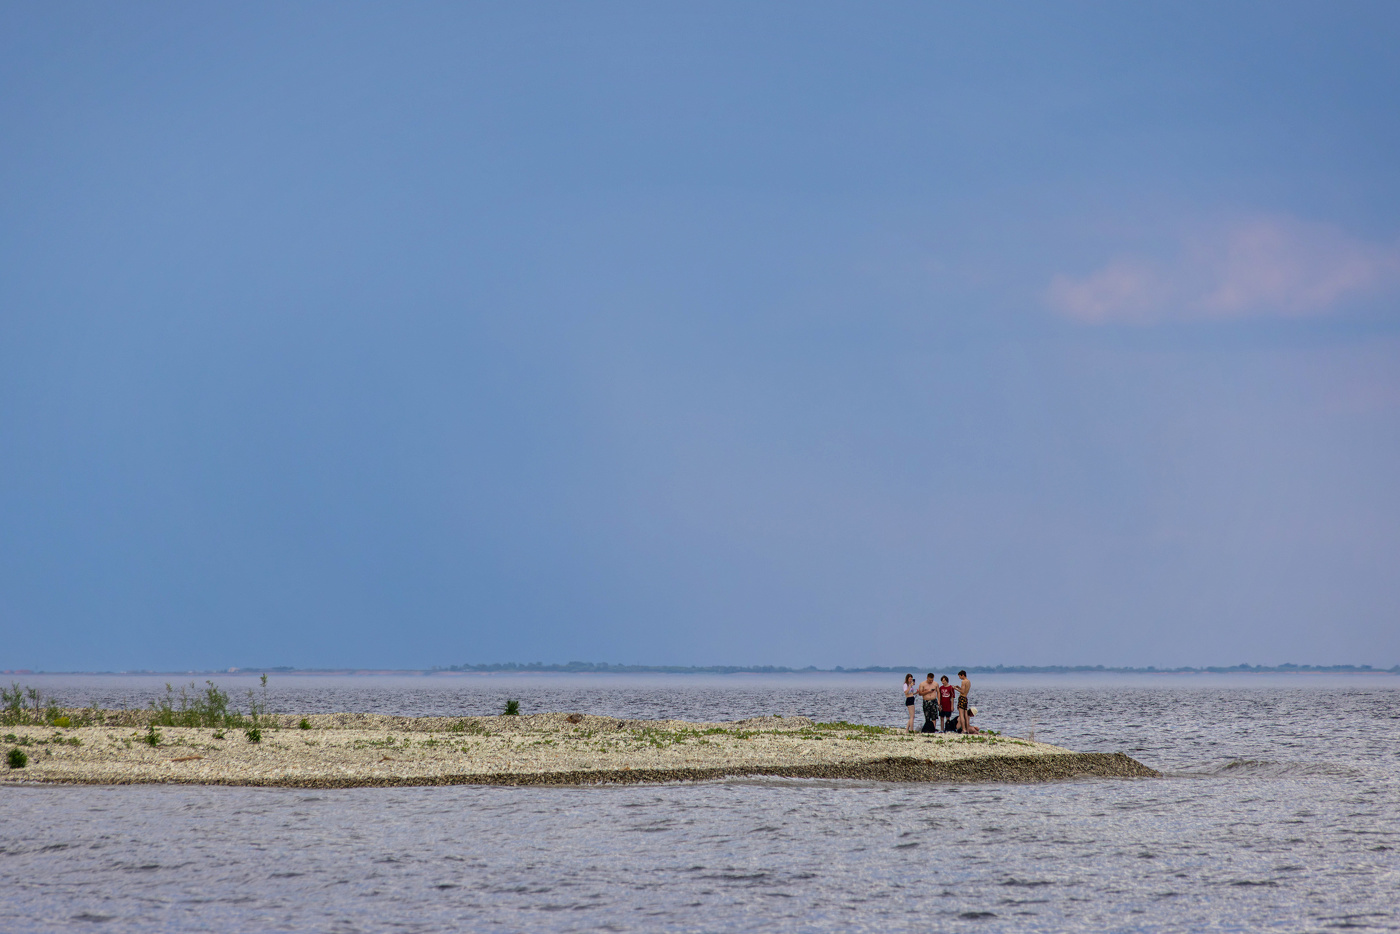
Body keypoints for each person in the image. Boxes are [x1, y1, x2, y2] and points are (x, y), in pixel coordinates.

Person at [956, 670, 972, 734]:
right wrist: (959, 687)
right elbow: (964, 690)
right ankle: (967, 729)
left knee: (961, 715)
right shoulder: (968, 681)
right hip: (965, 698)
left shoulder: (963, 681)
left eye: (960, 676)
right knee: (966, 715)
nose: (959, 678)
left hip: (962, 698)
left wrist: (955, 689)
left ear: (962, 675)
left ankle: (964, 729)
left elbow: (962, 692)